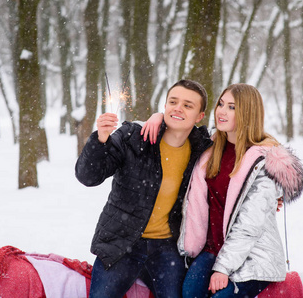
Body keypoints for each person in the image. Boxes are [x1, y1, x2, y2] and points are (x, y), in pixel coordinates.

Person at [144, 83, 303, 298]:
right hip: (212, 249)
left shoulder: (263, 162)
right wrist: (158, 117)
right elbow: (179, 123)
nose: (221, 111)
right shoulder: (210, 148)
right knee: (189, 293)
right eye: (221, 104)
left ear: (247, 113)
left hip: (253, 255)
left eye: (232, 107)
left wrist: (222, 269)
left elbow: (249, 227)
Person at [75, 79, 213, 298]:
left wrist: (270, 195)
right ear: (165, 106)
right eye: (173, 102)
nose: (178, 108)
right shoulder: (134, 137)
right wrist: (100, 139)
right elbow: (88, 176)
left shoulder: (202, 149)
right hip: (121, 242)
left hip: (166, 248)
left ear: (199, 117)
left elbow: (238, 161)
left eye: (188, 105)